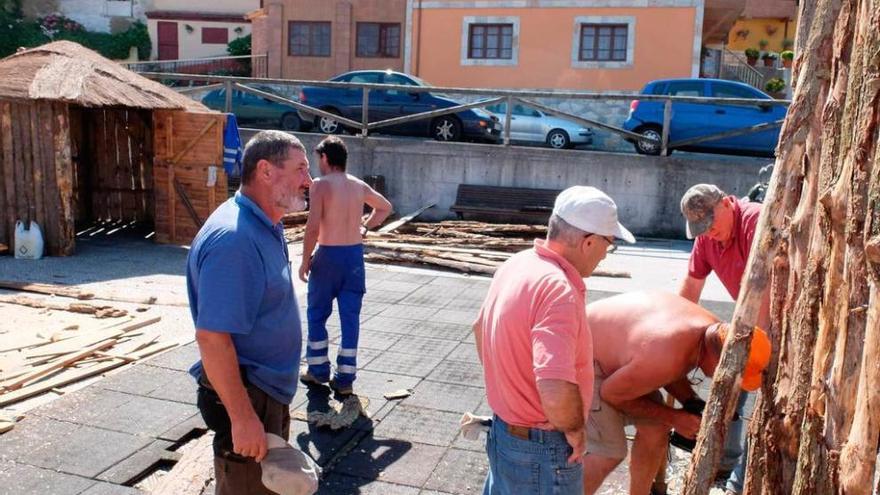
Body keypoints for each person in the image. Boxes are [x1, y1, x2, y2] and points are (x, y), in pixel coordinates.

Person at [475, 186, 636, 495]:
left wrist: (510, 389)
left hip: (504, 431)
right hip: (541, 447)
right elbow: (554, 382)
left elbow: (480, 329)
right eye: (609, 243)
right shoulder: (559, 289)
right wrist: (575, 431)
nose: (606, 253)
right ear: (589, 242)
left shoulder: (517, 264)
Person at [187, 130, 313, 494]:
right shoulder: (236, 240)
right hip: (248, 394)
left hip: (262, 390)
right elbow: (212, 337)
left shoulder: (263, 224)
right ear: (266, 171)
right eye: (301, 169)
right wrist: (243, 418)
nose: (309, 180)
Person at [582, 291, 771, 495]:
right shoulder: (666, 352)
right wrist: (675, 418)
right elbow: (611, 393)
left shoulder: (714, 332)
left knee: (655, 430)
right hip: (584, 357)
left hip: (618, 358)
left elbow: (670, 368)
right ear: (720, 361)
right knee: (609, 452)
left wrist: (691, 401)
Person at [678, 184, 770, 495]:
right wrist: (678, 337)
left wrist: (758, 347)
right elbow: (689, 290)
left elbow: (768, 285)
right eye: (700, 228)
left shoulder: (757, 220)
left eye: (711, 223)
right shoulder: (706, 240)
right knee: (729, 383)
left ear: (728, 203)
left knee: (769, 407)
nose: (709, 232)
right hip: (749, 321)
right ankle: (726, 462)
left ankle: (737, 485)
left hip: (782, 319)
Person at [298, 136, 392, 395]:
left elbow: (313, 227)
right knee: (350, 319)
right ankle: (345, 379)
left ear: (325, 158)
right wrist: (364, 226)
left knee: (317, 314)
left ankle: (318, 371)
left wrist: (305, 260)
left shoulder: (320, 185)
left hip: (328, 257)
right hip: (353, 258)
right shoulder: (358, 185)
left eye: (318, 159)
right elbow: (385, 207)